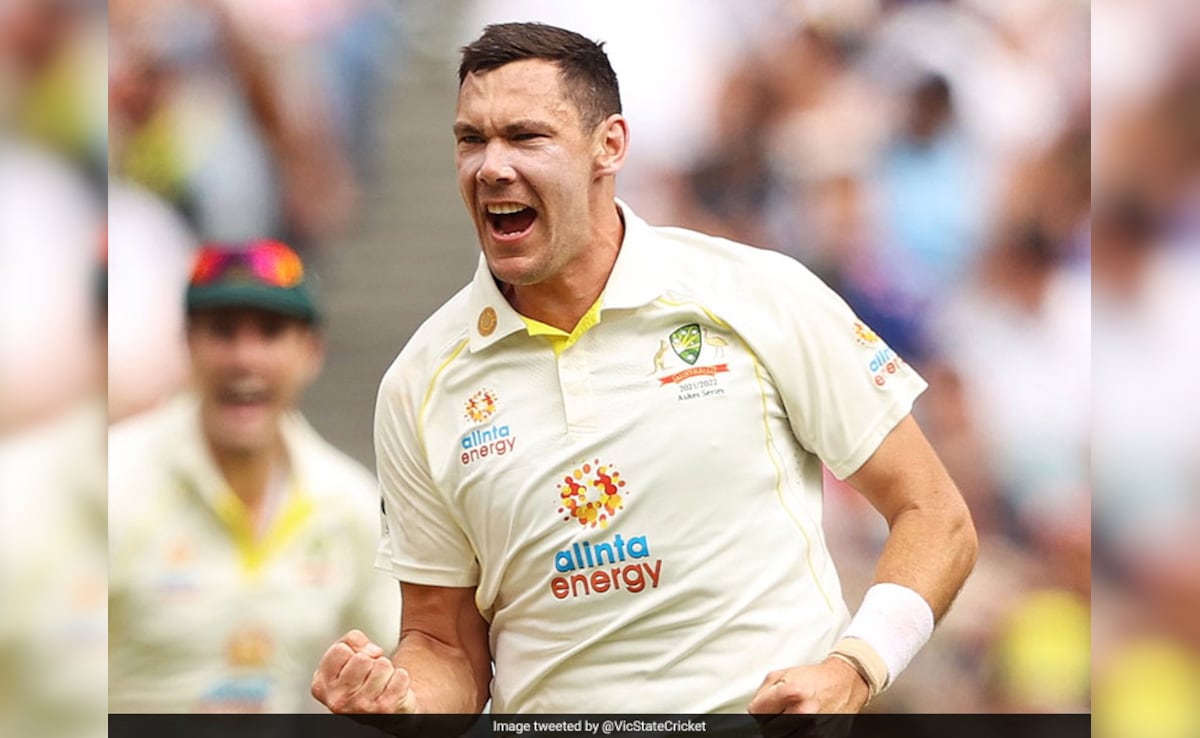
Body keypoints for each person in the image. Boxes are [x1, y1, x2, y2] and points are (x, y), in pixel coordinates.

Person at [311, 22, 976, 715]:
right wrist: (401, 700)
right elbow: (444, 644)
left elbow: (935, 513)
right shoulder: (419, 383)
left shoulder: (757, 292)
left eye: (525, 136)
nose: (490, 166)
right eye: (471, 139)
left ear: (611, 145)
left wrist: (856, 665)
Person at [109, 238, 399, 712]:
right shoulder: (110, 479)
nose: (245, 359)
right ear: (187, 343)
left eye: (269, 332)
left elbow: (402, 661)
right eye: (222, 331)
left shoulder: (347, 501)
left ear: (311, 350)